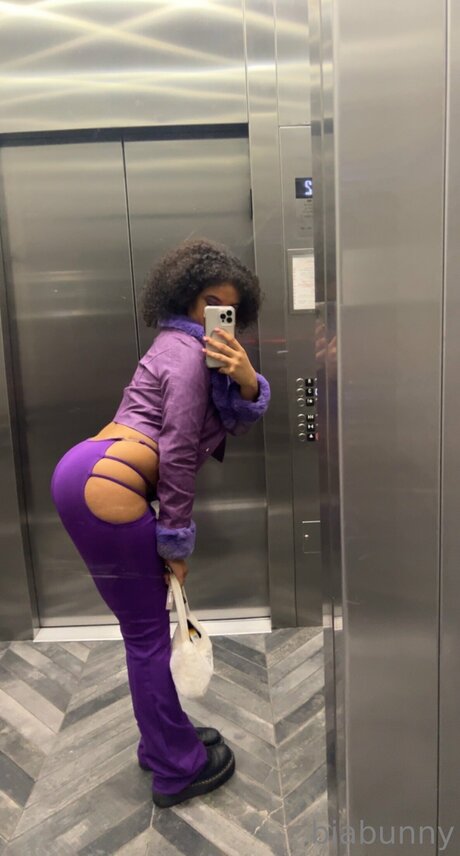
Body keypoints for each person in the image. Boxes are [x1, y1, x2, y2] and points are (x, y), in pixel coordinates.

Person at [50, 237, 271, 808]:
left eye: (230, 308)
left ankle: (164, 742)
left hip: (92, 474)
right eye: (210, 302)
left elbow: (228, 419)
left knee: (143, 632)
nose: (218, 315)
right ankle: (176, 769)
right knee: (147, 636)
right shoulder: (186, 353)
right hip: (109, 484)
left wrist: (248, 377)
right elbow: (175, 451)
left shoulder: (182, 348)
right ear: (185, 297)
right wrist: (175, 541)